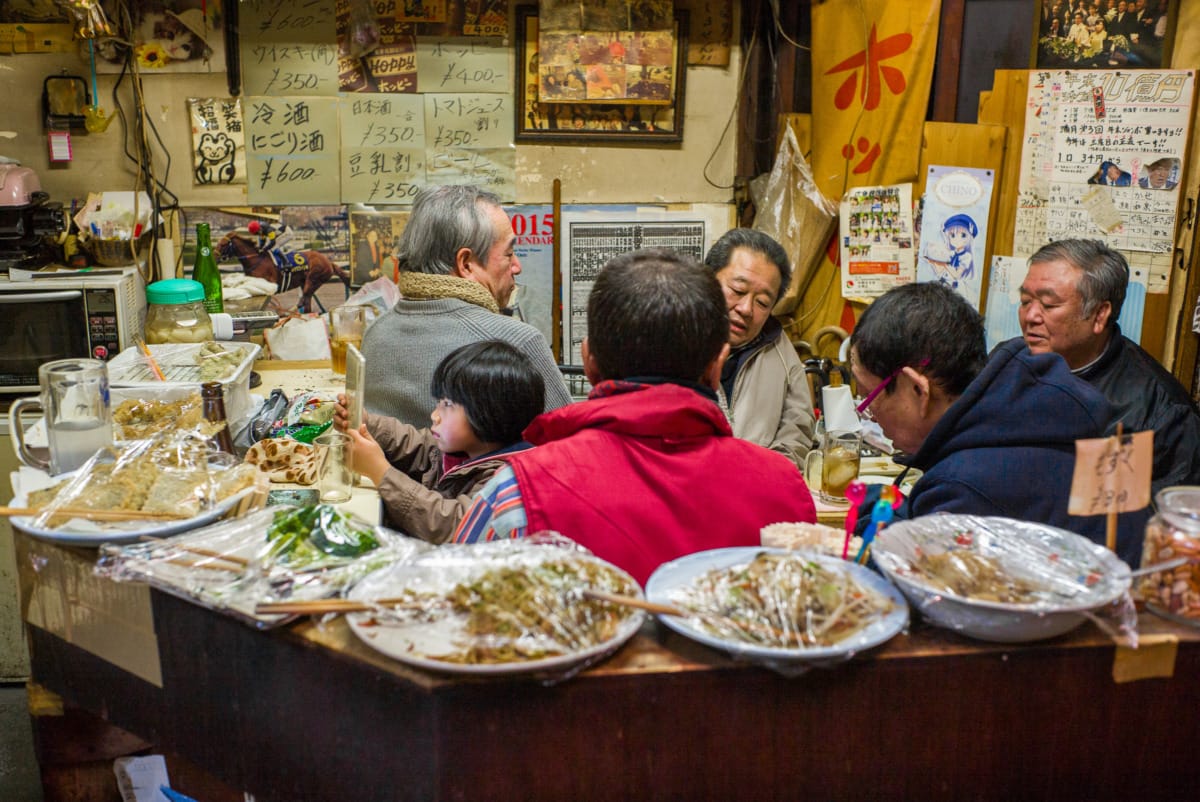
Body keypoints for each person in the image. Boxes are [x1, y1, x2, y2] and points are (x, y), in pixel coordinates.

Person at [453, 249, 818, 584]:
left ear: (588, 362)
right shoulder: (785, 490)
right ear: (715, 367)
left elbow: (452, 616)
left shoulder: (517, 491)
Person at [850, 281, 1146, 567]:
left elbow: (911, 590)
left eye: (867, 397)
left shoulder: (961, 487)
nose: (868, 415)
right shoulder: (1050, 405)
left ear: (918, 390)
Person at [361, 185, 571, 426]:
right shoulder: (516, 344)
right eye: (509, 252)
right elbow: (571, 446)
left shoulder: (375, 335)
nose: (517, 266)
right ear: (466, 264)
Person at [1017, 238, 1200, 506]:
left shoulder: (1162, 413)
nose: (1030, 316)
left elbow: (1168, 520)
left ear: (1100, 314)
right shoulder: (1008, 361)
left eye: (1048, 305)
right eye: (1025, 301)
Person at [335, 340, 544, 544]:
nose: (435, 415)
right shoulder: (467, 448)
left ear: (489, 414)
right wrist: (368, 423)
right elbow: (417, 444)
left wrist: (380, 472)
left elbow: (449, 524)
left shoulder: (503, 481)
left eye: (447, 405)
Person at [702, 229, 815, 468]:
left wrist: (763, 477)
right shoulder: (671, 339)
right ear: (706, 279)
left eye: (762, 302)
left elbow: (797, 430)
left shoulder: (781, 351)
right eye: (738, 290)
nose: (746, 308)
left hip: (756, 493)